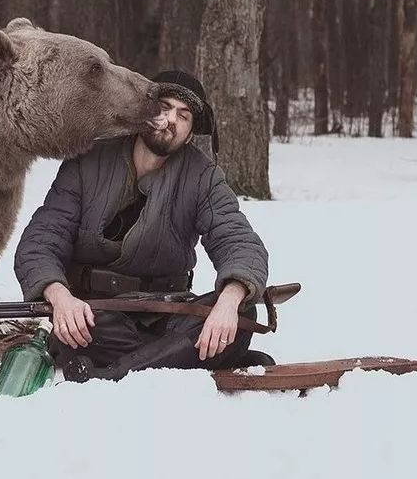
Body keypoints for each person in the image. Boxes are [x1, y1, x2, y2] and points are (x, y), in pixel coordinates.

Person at [14, 71, 271, 382]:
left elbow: (238, 240)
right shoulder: (88, 161)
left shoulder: (203, 177)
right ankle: (190, 355)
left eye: (184, 115)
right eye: (164, 107)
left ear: (190, 133)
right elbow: (41, 240)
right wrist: (60, 298)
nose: (170, 119)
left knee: (242, 315)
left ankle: (115, 371)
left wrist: (229, 301)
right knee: (76, 332)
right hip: (95, 311)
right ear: (143, 112)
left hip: (168, 311)